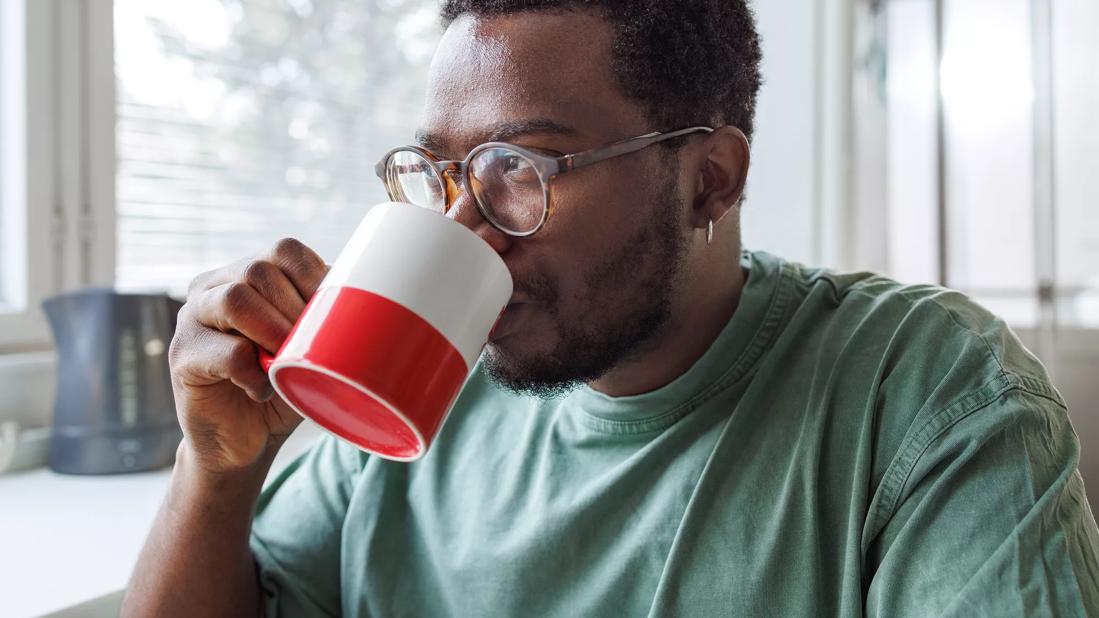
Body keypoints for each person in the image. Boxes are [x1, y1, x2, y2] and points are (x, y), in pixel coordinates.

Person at [122, 1, 1099, 616]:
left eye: (521, 168)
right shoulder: (419, 383)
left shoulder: (929, 393)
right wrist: (215, 470)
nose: (469, 228)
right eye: (444, 171)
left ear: (709, 179)